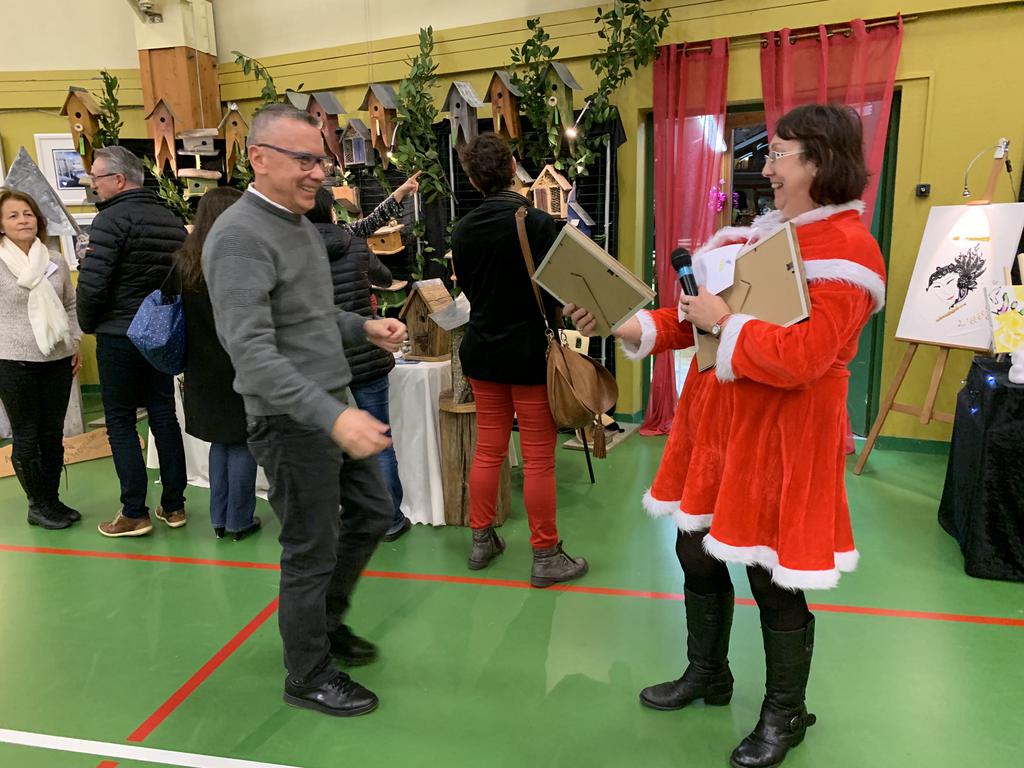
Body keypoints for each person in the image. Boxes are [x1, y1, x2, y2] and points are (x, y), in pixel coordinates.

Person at [567, 104, 887, 768]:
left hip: (783, 435)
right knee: (694, 550)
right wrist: (623, 322)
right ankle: (708, 672)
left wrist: (723, 321)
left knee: (773, 577)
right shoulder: (750, 239)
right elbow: (693, 320)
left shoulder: (848, 251)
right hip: (715, 426)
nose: (765, 168)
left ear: (820, 161)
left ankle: (785, 713)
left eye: (778, 154)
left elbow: (805, 357)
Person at [202, 104, 407, 718]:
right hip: (289, 421)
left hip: (326, 407)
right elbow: (251, 353)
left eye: (321, 160)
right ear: (259, 159)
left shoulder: (297, 225)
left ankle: (324, 624)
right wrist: (334, 416)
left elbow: (308, 317)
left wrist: (362, 326)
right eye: (304, 160)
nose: (319, 172)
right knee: (310, 548)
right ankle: (307, 672)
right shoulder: (239, 237)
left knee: (372, 513)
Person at [452, 132, 588, 588]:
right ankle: (545, 555)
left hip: (481, 353)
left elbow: (469, 290)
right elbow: (562, 290)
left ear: (474, 179)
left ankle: (481, 541)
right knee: (538, 460)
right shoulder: (539, 223)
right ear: (513, 167)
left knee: (488, 449)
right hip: (529, 354)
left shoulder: (462, 230)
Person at [76, 146, 189, 538]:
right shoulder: (170, 219)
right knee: (163, 414)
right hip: (159, 333)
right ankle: (174, 505)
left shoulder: (109, 221)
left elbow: (93, 284)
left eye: (96, 177)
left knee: (121, 420)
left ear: (118, 179)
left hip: (118, 333)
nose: (93, 185)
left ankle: (134, 512)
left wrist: (88, 324)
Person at [305, 182, 419, 543]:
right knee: (379, 437)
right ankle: (390, 520)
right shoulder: (352, 241)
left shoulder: (293, 250)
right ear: (331, 211)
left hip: (324, 361)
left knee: (332, 442)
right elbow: (383, 276)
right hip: (367, 353)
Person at [174, 186, 261, 541]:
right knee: (242, 441)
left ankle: (220, 518)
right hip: (240, 363)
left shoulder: (185, 263)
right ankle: (240, 519)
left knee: (219, 443)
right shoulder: (243, 262)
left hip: (200, 365)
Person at [0, 189, 82, 529]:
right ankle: (38, 505)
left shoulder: (55, 260)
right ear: (1, 225)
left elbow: (69, 305)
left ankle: (52, 500)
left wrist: (74, 342)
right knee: (27, 435)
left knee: (52, 435)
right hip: (12, 361)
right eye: (13, 215)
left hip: (56, 358)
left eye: (28, 214)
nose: (23, 220)